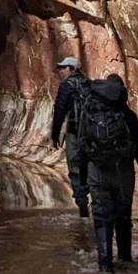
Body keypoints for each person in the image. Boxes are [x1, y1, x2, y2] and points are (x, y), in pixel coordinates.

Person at [81, 72, 138, 273]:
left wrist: (82, 182)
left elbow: (82, 148)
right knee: (123, 218)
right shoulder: (128, 116)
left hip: (98, 173)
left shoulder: (91, 112)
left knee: (102, 221)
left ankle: (105, 267)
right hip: (123, 174)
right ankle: (125, 260)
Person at [50, 56, 90, 217]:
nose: (61, 71)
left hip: (74, 133)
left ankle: (83, 209)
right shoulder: (89, 84)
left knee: (75, 168)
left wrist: (55, 136)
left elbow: (59, 111)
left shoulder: (66, 86)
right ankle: (98, 208)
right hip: (92, 134)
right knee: (90, 168)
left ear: (72, 69)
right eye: (61, 68)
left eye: (64, 68)